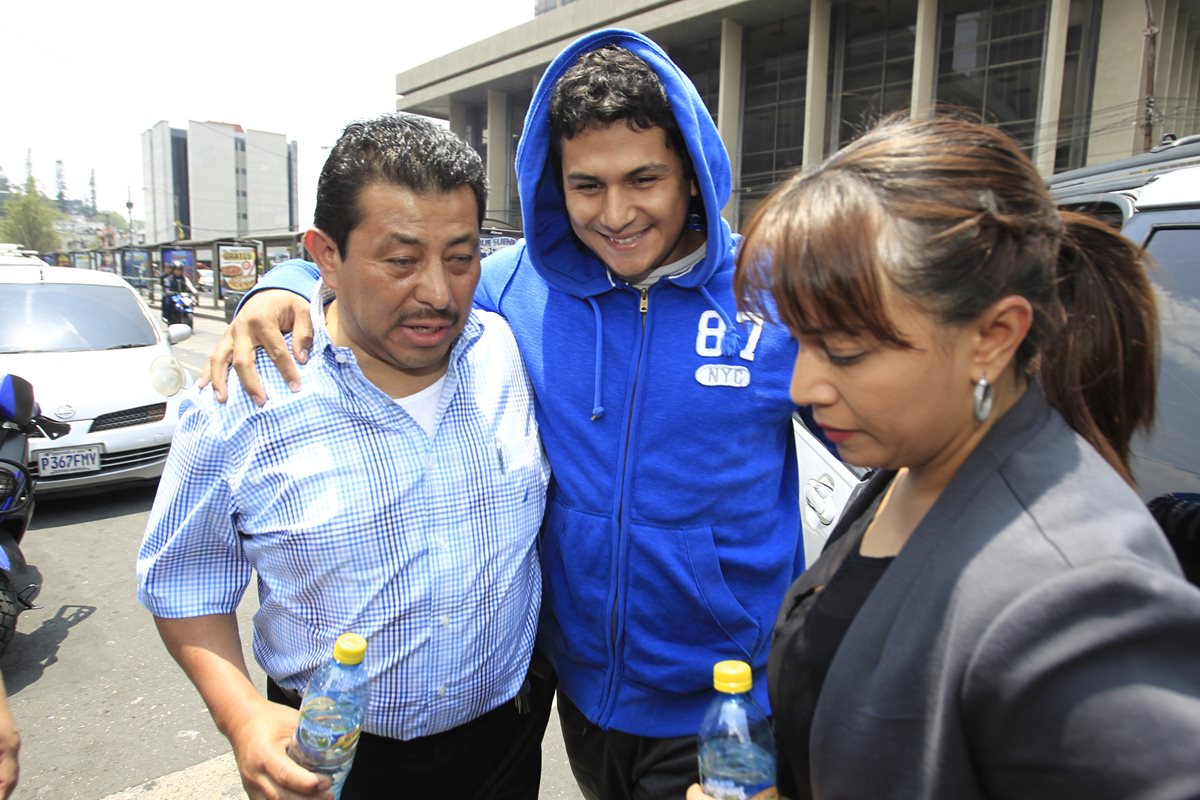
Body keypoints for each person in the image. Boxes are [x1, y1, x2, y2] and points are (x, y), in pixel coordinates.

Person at [204, 29, 803, 799]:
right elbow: (394, 272)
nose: (616, 213)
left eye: (643, 179)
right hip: (581, 699)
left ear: (691, 174)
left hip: (725, 707)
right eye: (587, 185)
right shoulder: (515, 286)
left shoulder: (772, 295)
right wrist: (279, 286)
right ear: (554, 186)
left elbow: (886, 457)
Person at [690, 113, 1200, 800]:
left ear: (992, 337)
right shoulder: (915, 460)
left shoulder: (1074, 591)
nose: (803, 387)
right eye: (801, 341)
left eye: (845, 351)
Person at [137, 113, 553, 800]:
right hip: (332, 763)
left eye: (461, 256)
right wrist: (241, 716)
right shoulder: (242, 398)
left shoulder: (509, 351)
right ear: (325, 255)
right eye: (400, 260)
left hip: (504, 748)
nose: (439, 293)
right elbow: (183, 584)